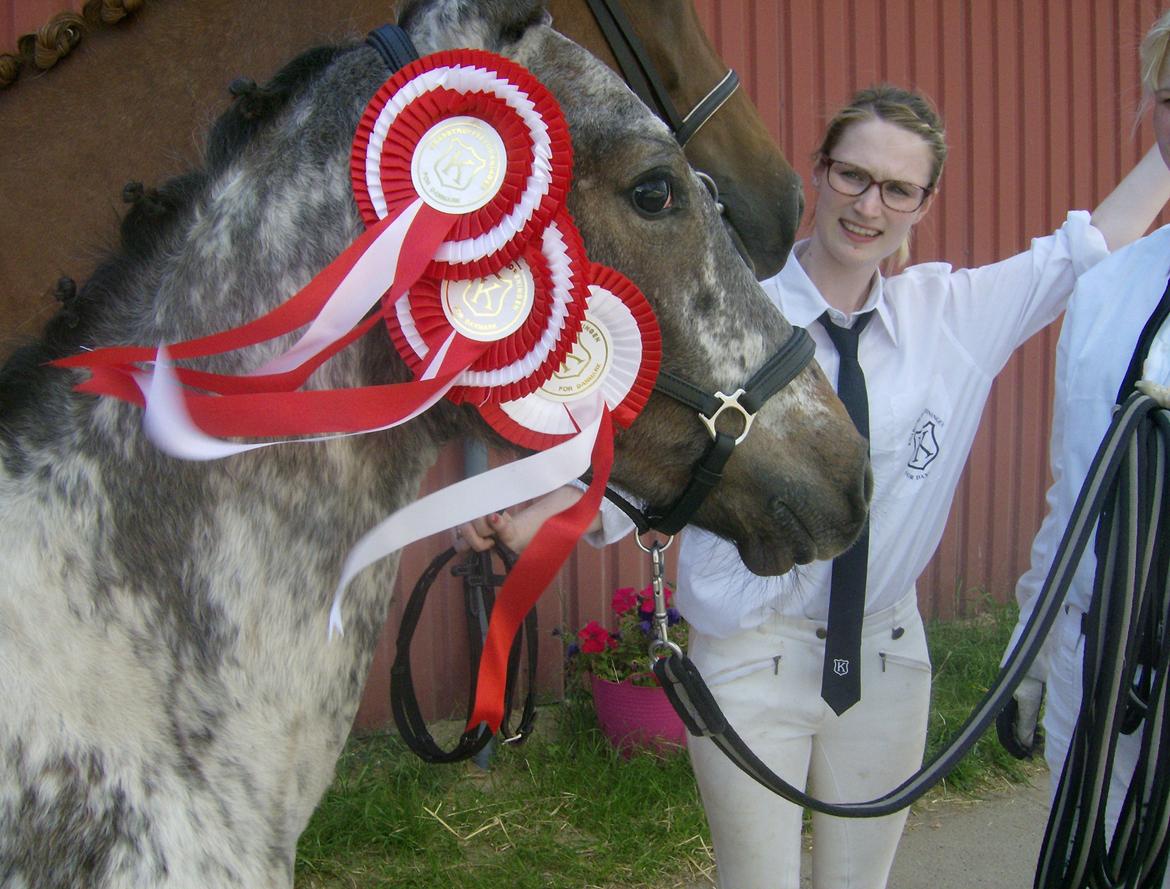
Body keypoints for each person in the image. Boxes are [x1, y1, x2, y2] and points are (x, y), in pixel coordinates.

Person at [461, 79, 1170, 888]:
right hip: (749, 656)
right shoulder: (737, 316)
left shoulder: (955, 315)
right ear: (819, 170)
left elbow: (1090, 247)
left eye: (897, 188)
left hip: (887, 661)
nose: (868, 205)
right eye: (851, 175)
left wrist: (1165, 144)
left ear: (924, 202)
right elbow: (641, 447)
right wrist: (532, 510)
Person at [1000, 10, 1170, 885]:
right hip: (1096, 664)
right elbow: (1075, 491)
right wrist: (1032, 639)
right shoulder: (1112, 292)